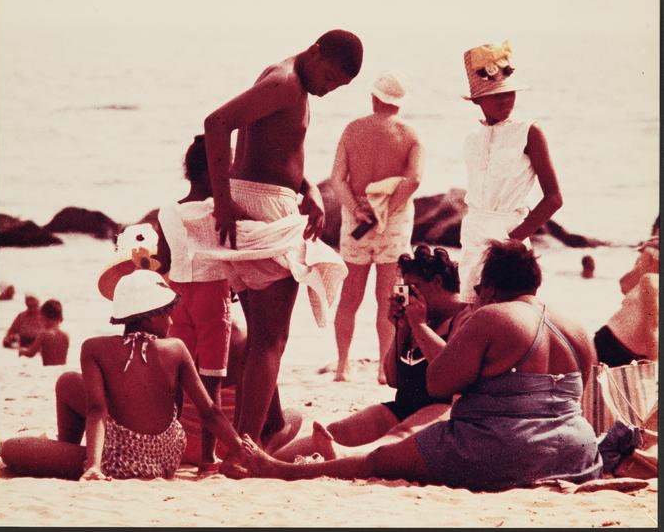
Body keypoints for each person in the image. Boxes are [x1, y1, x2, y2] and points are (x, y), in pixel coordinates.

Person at [236, 241, 603, 492]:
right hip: (576, 453)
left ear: (490, 287)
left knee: (382, 459)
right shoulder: (576, 326)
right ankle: (280, 460)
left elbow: (439, 383)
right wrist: (403, 329)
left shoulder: (491, 316)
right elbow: (581, 396)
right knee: (366, 434)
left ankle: (283, 471)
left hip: (502, 448)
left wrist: (419, 326)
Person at [202, 29, 363, 444]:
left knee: (261, 336)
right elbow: (216, 124)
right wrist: (221, 200)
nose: (327, 90)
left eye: (337, 87)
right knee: (272, 339)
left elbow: (272, 149)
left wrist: (308, 189)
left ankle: (269, 426)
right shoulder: (285, 82)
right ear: (315, 52)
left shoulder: (288, 79)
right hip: (263, 208)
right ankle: (245, 449)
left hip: (264, 200)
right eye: (328, 77)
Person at [0, 269, 245, 480]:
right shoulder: (176, 348)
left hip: (121, 460)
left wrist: (94, 466)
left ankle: (71, 450)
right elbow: (210, 412)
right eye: (166, 313)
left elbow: (97, 410)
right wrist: (244, 452)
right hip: (168, 459)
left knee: (11, 449)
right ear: (150, 316)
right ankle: (69, 449)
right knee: (69, 381)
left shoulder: (95, 348)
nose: (171, 321)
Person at [273, 245, 466, 463]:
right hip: (405, 406)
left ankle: (344, 457)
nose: (408, 295)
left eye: (413, 288)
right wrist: (401, 329)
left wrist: (420, 326)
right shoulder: (422, 315)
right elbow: (394, 379)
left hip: (445, 410)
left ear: (437, 282)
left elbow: (451, 374)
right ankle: (269, 461)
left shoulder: (465, 317)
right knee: (338, 431)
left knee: (398, 436)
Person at [331, 71, 424, 383]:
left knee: (349, 297)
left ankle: (342, 365)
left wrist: (357, 209)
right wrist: (386, 210)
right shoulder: (410, 134)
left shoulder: (352, 129)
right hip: (393, 219)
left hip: (356, 217)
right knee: (389, 298)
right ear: (400, 102)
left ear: (374, 98)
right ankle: (385, 368)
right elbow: (414, 180)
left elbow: (337, 179)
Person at [458, 40, 563, 303]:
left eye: (510, 92)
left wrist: (513, 239)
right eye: (496, 94)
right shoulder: (472, 139)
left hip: (509, 241)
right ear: (477, 99)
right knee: (470, 311)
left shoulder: (528, 131)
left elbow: (554, 198)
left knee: (508, 313)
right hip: (473, 237)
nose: (506, 99)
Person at [156, 134, 233, 471]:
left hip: (177, 296)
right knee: (211, 380)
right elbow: (234, 252)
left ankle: (169, 454)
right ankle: (206, 458)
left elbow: (162, 259)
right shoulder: (219, 210)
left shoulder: (167, 211)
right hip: (213, 294)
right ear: (213, 172)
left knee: (176, 379)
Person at [593, 220, 659, 366]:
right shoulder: (650, 279)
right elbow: (625, 286)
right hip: (611, 343)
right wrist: (646, 263)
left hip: (629, 349)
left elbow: (653, 329)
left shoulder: (651, 281)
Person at [18, 299, 69, 366]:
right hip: (62, 369)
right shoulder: (65, 335)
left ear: (44, 317)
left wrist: (22, 351)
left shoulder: (43, 334)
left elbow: (31, 353)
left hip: (48, 369)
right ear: (60, 317)